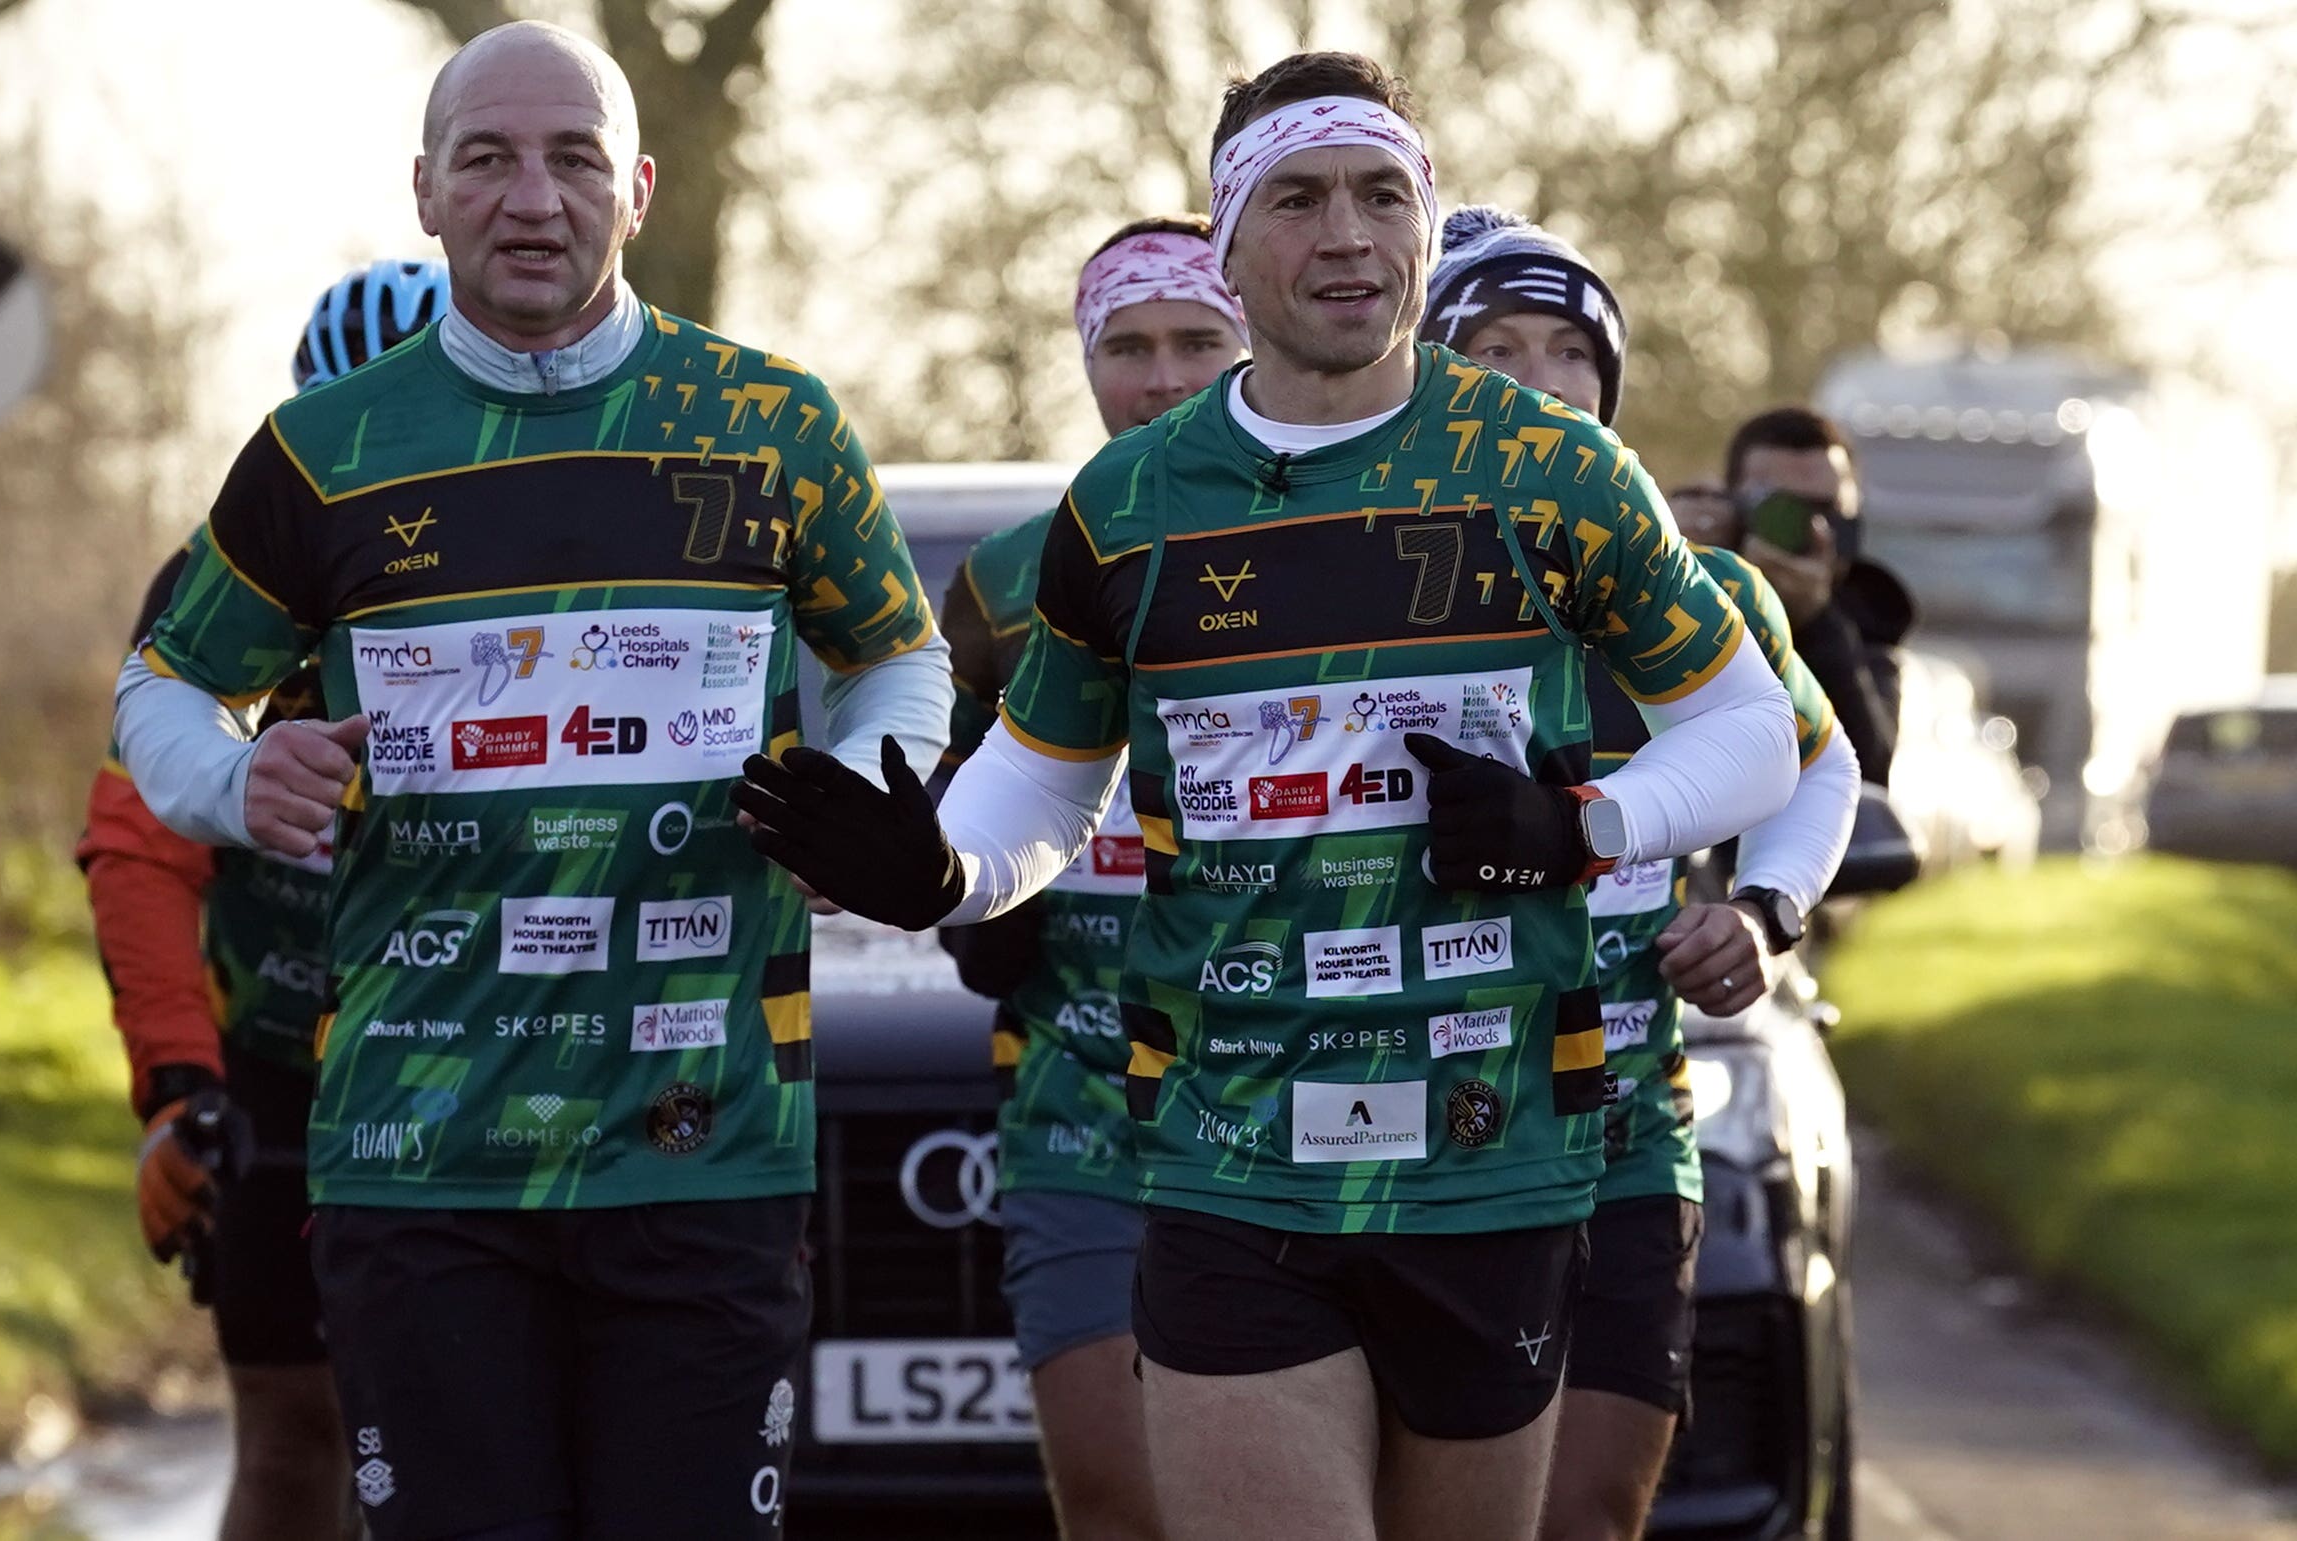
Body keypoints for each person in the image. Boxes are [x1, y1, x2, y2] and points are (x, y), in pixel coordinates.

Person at [733, 51, 1800, 1541]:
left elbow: (1754, 726)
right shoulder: (1129, 503)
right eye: (1298, 199)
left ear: (1425, 225)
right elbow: (1045, 779)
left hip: (1496, 1154)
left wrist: (1584, 825)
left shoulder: (1558, 470)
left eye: (1382, 195)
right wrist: (939, 873)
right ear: (1230, 246)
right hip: (1234, 1151)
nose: (1347, 234)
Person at [110, 21, 949, 1540]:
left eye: (572, 160)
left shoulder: (775, 421)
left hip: (704, 1141)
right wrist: (239, 780)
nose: (531, 197)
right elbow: (161, 688)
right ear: (425, 191)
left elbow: (900, 652)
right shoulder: (322, 452)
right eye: (486, 159)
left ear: (633, 188)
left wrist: (863, 777)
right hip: (420, 1161)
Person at [1424, 206, 1860, 1541]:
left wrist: (1764, 909)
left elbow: (1818, 765)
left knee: (1594, 1510)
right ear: (1434, 378)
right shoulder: (1371, 569)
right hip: (1412, 1134)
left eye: (1571, 352)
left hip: (1628, 1125)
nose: (1540, 382)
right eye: (1494, 348)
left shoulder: (1698, 583)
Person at [76, 257, 448, 1541]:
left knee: (447, 1448)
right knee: (291, 1449)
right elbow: (138, 846)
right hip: (278, 1063)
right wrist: (180, 1083)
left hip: (477, 1049)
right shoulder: (210, 583)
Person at [936, 213, 1245, 1541]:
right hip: (1080, 1117)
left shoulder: (1347, 544)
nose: (1165, 375)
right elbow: (964, 875)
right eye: (1131, 346)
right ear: (1088, 362)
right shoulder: (1008, 584)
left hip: (1303, 1108)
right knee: (1118, 1505)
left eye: (1196, 340)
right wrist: (972, 905)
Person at [1723, 406, 1914, 784]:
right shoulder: (1691, 591)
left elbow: (1868, 769)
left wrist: (1814, 620)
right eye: (1783, 508)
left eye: (1828, 510)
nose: (1815, 531)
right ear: (1733, 507)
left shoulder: (1869, 614)